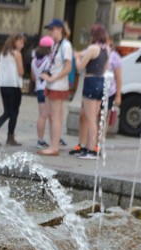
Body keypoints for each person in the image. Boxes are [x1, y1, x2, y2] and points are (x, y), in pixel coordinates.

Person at [69, 23, 109, 160]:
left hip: (90, 82)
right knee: (94, 117)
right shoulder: (106, 49)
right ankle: (91, 147)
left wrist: (76, 57)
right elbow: (105, 68)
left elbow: (80, 67)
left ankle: (91, 151)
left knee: (91, 118)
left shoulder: (92, 48)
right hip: (101, 82)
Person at [37, 19, 74, 157]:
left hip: (58, 85)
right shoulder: (55, 45)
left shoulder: (66, 45)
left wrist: (52, 78)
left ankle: (54, 147)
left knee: (55, 116)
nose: (50, 32)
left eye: (52, 29)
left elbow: (68, 67)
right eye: (49, 30)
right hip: (51, 84)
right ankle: (53, 145)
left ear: (60, 29)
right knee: (51, 116)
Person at [0, 32, 26, 147]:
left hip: (3, 85)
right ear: (14, 42)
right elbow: (21, 72)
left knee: (7, 111)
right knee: (13, 112)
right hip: (14, 85)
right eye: (21, 42)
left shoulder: (4, 53)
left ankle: (3, 135)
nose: (22, 45)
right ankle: (1, 134)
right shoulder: (17, 54)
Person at [31, 35, 54, 149]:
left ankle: (41, 139)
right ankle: (46, 140)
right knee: (48, 115)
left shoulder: (34, 59)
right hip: (46, 88)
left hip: (38, 88)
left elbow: (33, 76)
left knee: (42, 115)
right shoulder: (49, 59)